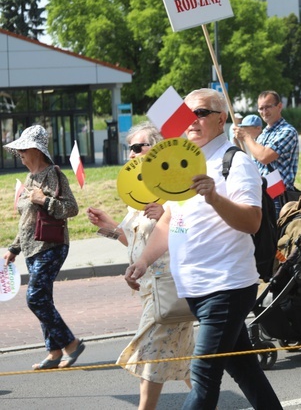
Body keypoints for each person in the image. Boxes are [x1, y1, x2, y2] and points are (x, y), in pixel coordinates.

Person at [125, 89, 282, 410]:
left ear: (221, 118)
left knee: (204, 379)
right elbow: (169, 221)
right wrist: (142, 261)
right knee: (246, 370)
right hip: (195, 289)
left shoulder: (235, 162)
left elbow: (252, 221)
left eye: (201, 113)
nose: (192, 121)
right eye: (188, 114)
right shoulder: (184, 161)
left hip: (227, 286)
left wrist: (215, 197)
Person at [86, 122, 194, 410]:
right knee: (184, 363)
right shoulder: (137, 192)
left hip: (170, 288)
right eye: (129, 149)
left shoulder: (172, 189)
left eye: (137, 147)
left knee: (152, 355)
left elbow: (186, 233)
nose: (131, 155)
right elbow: (133, 240)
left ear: (156, 149)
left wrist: (165, 216)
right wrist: (107, 225)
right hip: (150, 290)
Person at [3, 125, 84, 370]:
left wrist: (45, 200)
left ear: (36, 151)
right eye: (18, 152)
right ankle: (54, 351)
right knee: (43, 298)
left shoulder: (54, 175)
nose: (20, 156)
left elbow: (71, 208)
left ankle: (71, 343)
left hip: (51, 245)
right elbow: (26, 220)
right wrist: (14, 248)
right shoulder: (29, 178)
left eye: (23, 150)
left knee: (35, 297)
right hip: (31, 247)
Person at [234, 90, 299, 216]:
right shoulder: (263, 134)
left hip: (277, 197)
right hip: (261, 193)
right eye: (261, 108)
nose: (264, 112)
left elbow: (264, 157)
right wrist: (238, 141)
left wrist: (247, 137)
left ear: (279, 106)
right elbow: (253, 161)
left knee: (276, 235)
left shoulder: (287, 131)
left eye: (268, 107)